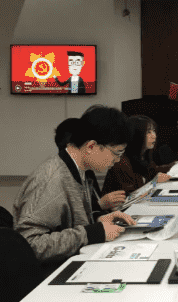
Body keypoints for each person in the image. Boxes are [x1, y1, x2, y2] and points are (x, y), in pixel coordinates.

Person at [13, 105, 137, 277]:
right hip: (50, 276)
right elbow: (29, 245)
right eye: (117, 153)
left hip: (73, 264)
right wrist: (93, 232)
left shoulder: (80, 170)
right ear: (91, 146)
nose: (117, 160)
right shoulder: (52, 180)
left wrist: (98, 220)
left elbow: (70, 224)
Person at [101, 115, 178, 197]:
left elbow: (154, 171)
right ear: (136, 135)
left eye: (153, 131)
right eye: (148, 132)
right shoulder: (121, 162)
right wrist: (153, 183)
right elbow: (130, 197)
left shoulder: (143, 155)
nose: (154, 136)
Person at [54, 118, 126, 213]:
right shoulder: (58, 176)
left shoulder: (87, 172)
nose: (117, 160)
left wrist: (101, 216)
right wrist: (100, 205)